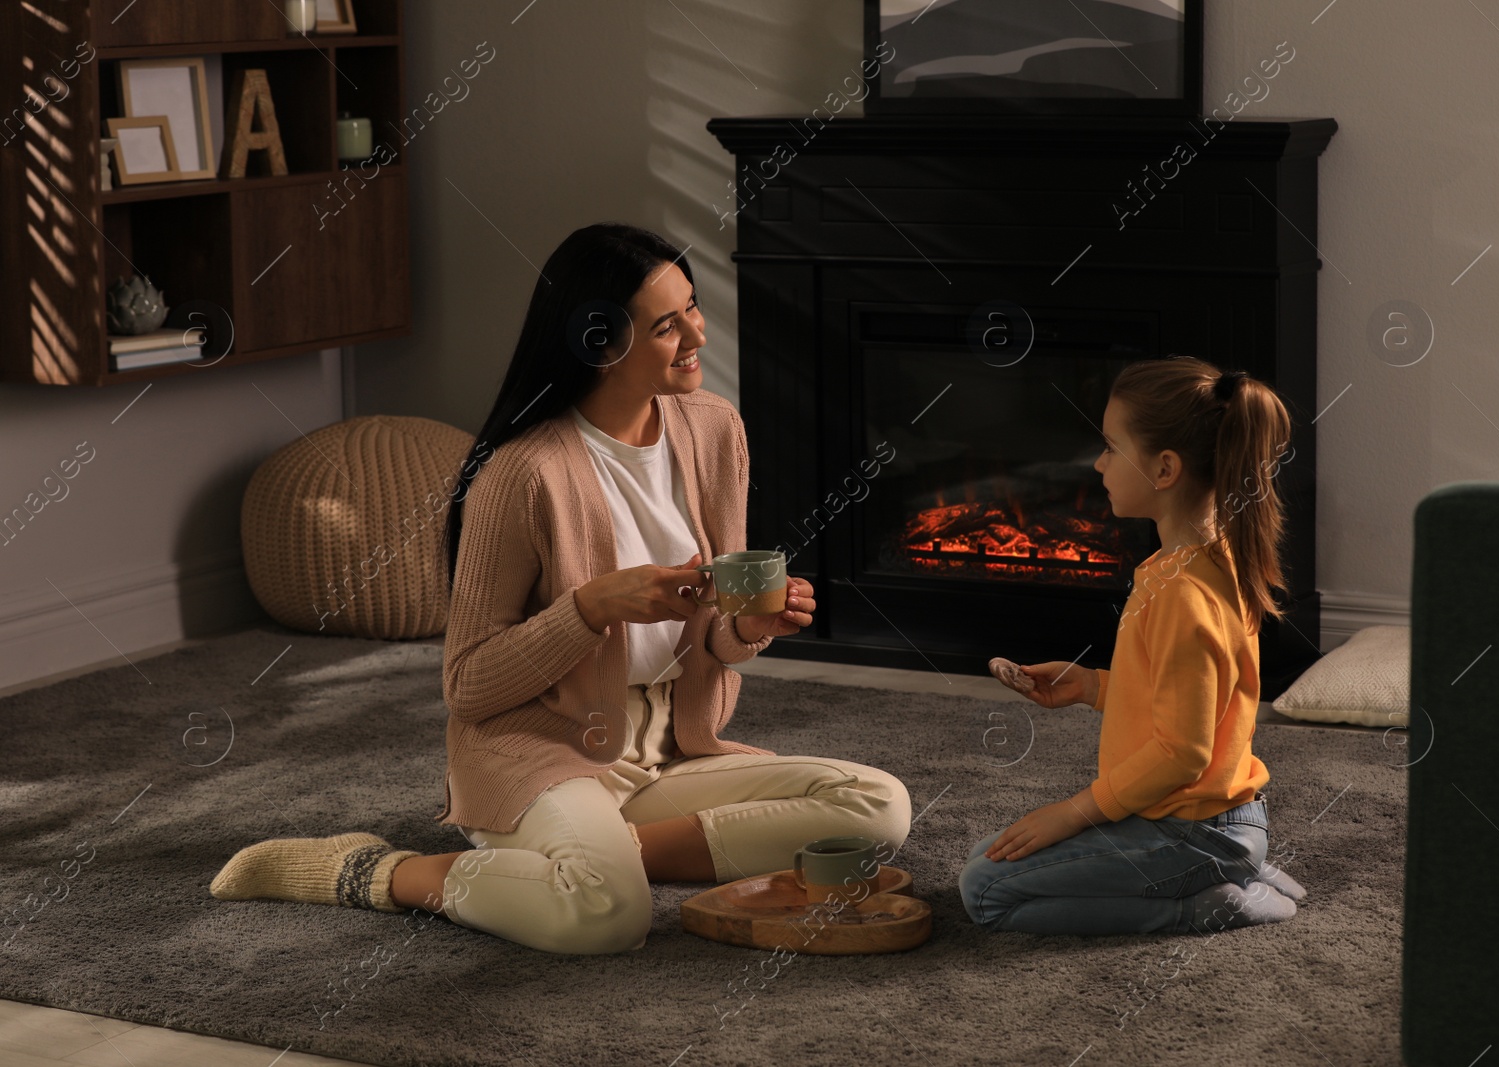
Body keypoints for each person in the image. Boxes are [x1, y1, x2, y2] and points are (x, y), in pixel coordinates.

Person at [210, 223, 911, 953]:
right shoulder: (524, 474)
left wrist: (755, 626)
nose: (698, 332)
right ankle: (383, 870)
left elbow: (716, 632)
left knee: (878, 806)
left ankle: (598, 853)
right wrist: (589, 609)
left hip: (668, 749)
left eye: (693, 308)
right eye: (668, 325)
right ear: (601, 345)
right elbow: (468, 684)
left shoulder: (712, 430)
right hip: (543, 747)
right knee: (607, 917)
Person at [959, 356, 1307, 936]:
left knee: (985, 891)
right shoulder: (1210, 556)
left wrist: (1072, 813)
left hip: (1193, 830)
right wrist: (1093, 686)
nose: (1098, 463)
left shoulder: (1181, 592)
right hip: (1212, 819)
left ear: (1164, 468)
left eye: (1111, 447)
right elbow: (1193, 699)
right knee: (986, 855)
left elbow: (1183, 752)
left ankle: (1208, 899)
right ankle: (1244, 867)